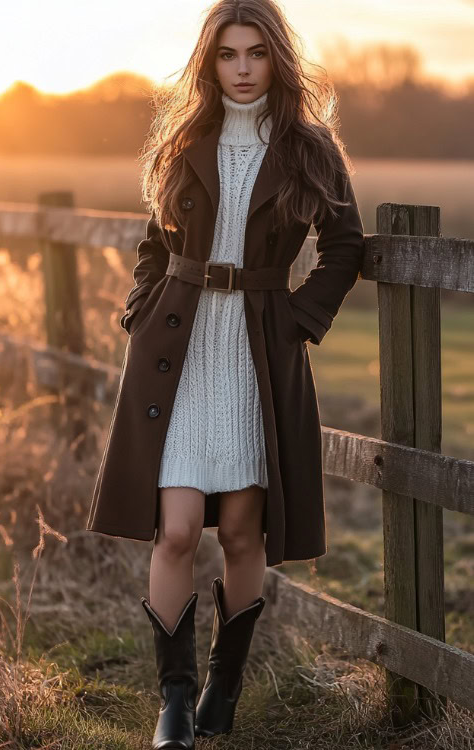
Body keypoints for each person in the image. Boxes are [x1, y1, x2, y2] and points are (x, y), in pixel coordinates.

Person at [86, 0, 365, 747]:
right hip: (178, 356)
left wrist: (298, 318)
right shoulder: (186, 140)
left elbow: (346, 245)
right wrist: (142, 306)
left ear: (277, 59)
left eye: (255, 54)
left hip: (255, 359)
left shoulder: (310, 149)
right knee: (174, 531)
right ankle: (172, 702)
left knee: (242, 531)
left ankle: (224, 682)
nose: (242, 69)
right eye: (227, 55)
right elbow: (155, 238)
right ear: (209, 64)